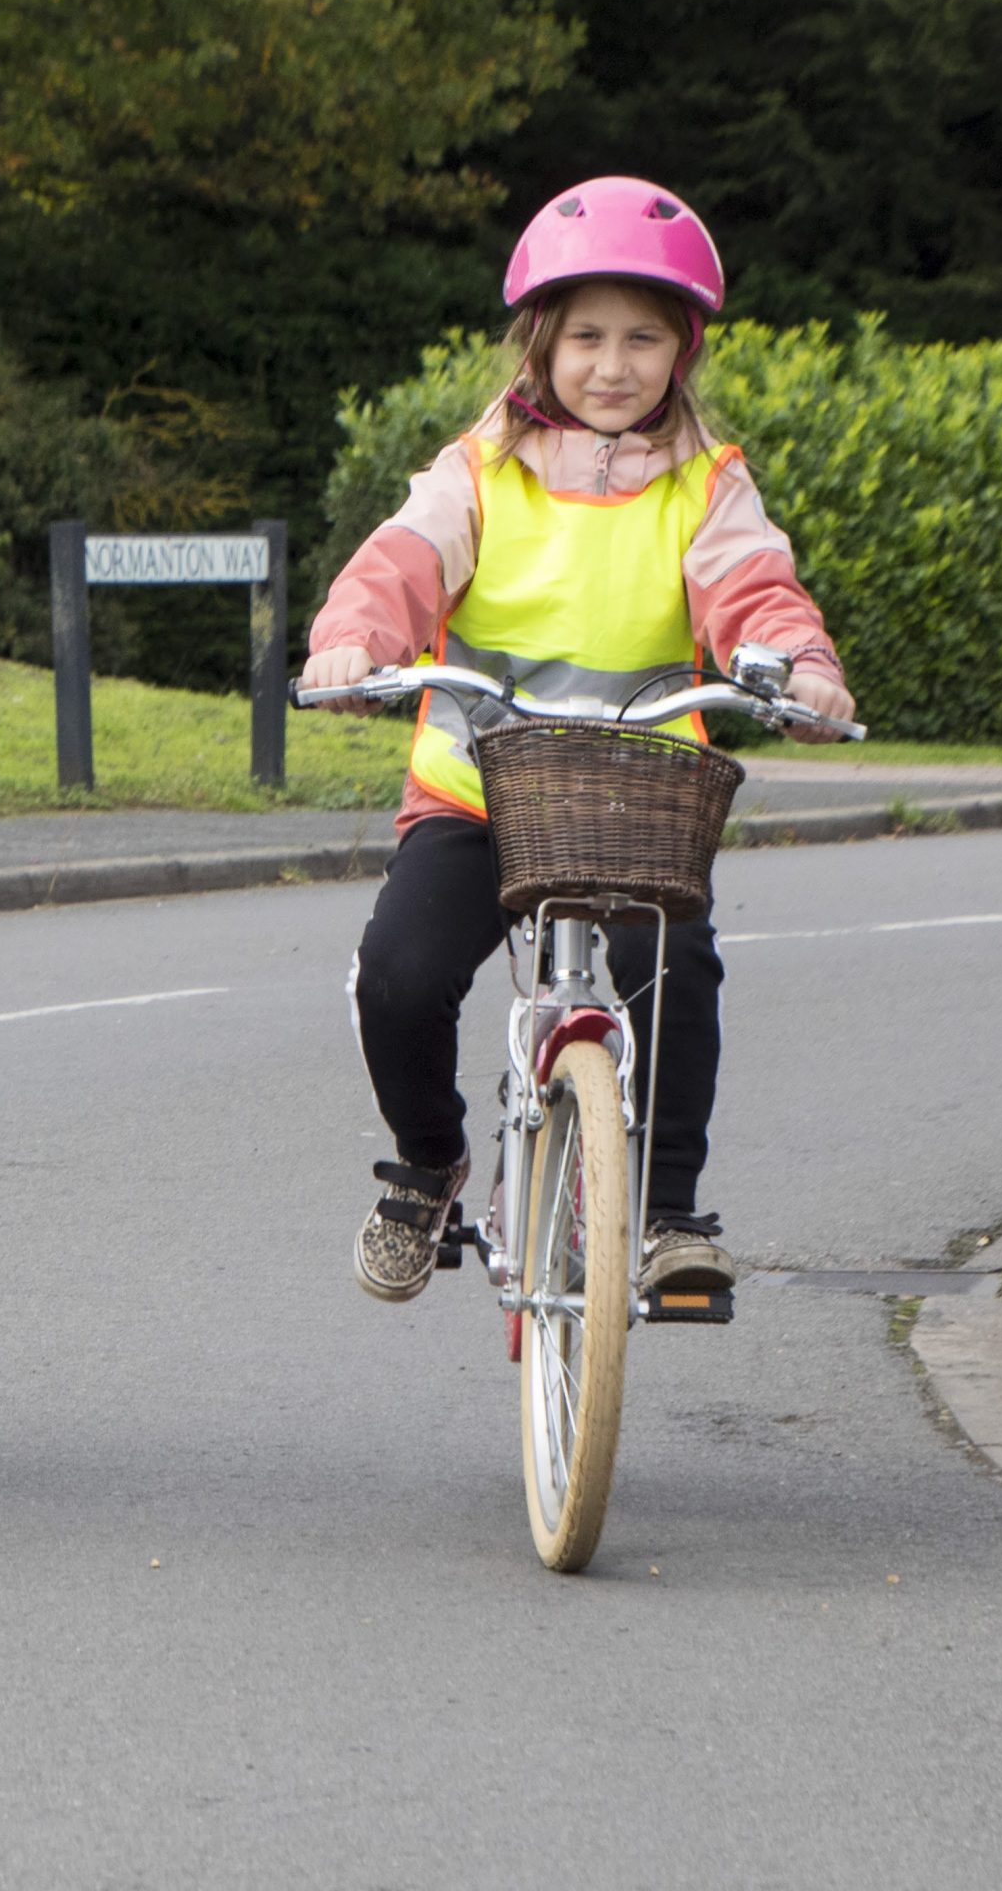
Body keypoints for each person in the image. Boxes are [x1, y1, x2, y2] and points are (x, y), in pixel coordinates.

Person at [298, 178, 854, 1306]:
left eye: (644, 337)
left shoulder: (707, 483)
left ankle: (664, 1219)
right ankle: (426, 1164)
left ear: (682, 348)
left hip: (639, 800)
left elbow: (755, 590)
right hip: (478, 799)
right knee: (399, 980)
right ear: (540, 344)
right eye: (588, 336)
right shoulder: (478, 471)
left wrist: (801, 665)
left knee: (677, 969)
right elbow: (399, 562)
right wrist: (354, 643)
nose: (614, 364)